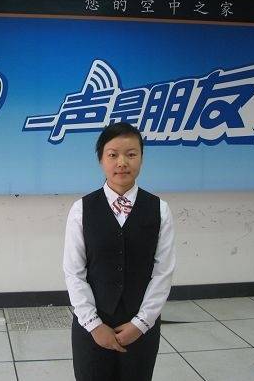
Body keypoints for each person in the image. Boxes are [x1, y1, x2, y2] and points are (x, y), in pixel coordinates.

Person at [63, 122, 175, 381]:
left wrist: (141, 323)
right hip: (92, 325)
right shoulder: (81, 209)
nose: (122, 162)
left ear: (142, 158)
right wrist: (93, 324)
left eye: (131, 154)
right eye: (113, 154)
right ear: (101, 160)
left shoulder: (160, 209)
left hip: (141, 327)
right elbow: (73, 272)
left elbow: (163, 272)